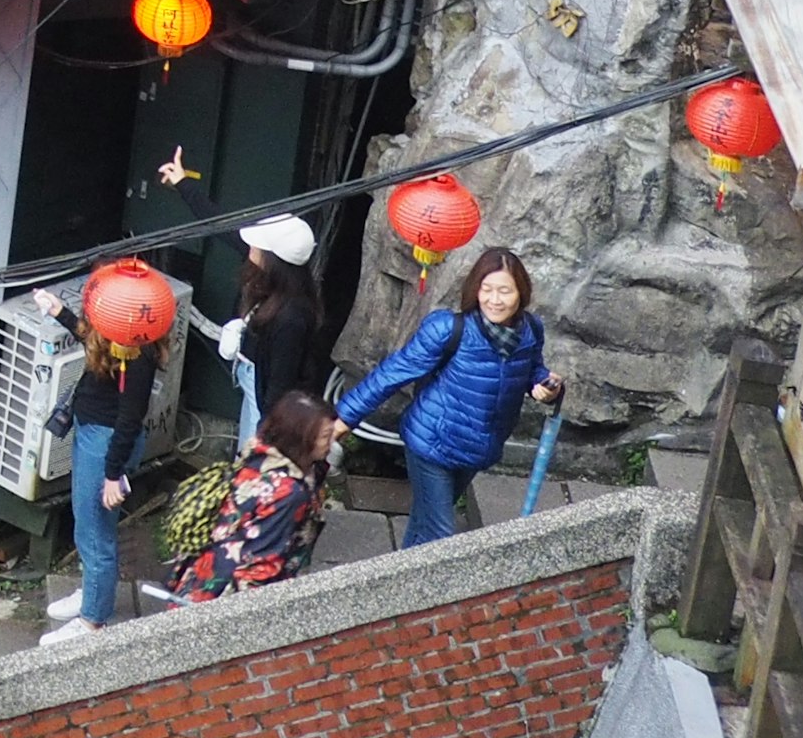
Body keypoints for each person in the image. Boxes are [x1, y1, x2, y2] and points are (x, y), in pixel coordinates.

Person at [336, 245, 560, 547]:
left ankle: (398, 580)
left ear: (521, 292)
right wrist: (342, 418)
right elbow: (393, 372)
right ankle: (426, 591)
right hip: (432, 443)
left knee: (424, 523)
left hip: (477, 447)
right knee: (441, 537)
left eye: (504, 291)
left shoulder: (530, 330)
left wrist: (546, 387)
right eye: (487, 289)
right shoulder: (448, 328)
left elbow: (534, 370)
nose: (495, 300)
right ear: (475, 290)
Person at [28, 277, 158, 637]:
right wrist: (61, 314)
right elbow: (92, 337)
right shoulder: (121, 339)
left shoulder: (138, 358)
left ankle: (92, 620)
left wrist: (113, 474)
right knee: (85, 523)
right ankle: (92, 594)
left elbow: (129, 420)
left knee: (96, 532)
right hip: (90, 435)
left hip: (105, 445)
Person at [177, 393, 344, 599]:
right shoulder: (289, 494)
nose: (332, 442)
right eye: (326, 436)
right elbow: (261, 566)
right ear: (303, 439)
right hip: (228, 601)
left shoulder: (259, 457)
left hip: (199, 580)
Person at [219, 215, 327, 455]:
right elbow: (225, 230)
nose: (250, 247)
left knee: (250, 463)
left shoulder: (291, 319)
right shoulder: (283, 284)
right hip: (254, 377)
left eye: (257, 245)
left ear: (272, 259)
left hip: (269, 399)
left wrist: (263, 438)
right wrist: (183, 185)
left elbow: (280, 384)